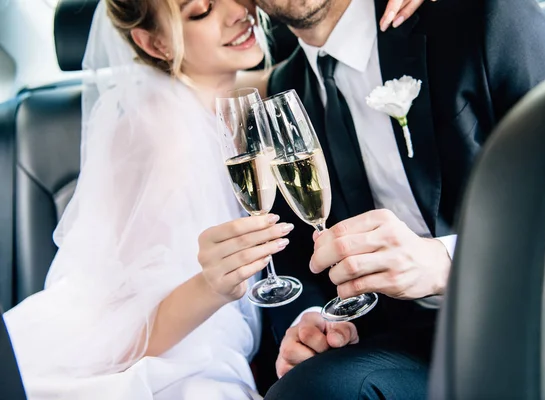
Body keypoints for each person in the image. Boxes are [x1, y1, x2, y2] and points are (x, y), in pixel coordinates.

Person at [2, 0, 421, 399]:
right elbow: (125, 328)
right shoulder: (161, 134)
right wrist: (213, 286)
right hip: (160, 353)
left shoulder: (249, 95)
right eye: (201, 11)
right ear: (156, 44)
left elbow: (317, 52)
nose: (238, 13)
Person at [256, 0, 545, 398]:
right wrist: (311, 320)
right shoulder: (283, 92)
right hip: (412, 344)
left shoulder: (485, 17)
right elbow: (296, 247)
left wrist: (447, 263)